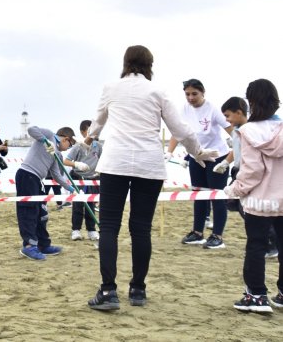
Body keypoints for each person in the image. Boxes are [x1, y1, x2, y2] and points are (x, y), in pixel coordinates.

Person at [85, 46, 217, 310]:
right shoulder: (158, 91)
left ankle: (109, 291)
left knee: (109, 227)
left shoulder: (111, 87)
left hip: (116, 162)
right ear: (149, 65)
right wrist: (197, 152)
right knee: (141, 228)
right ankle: (138, 289)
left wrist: (90, 137)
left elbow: (98, 121)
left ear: (125, 63)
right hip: (149, 163)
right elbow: (180, 128)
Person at [223, 79, 283, 313]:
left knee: (256, 245)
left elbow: (252, 171)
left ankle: (256, 295)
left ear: (251, 102)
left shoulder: (247, 131)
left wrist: (235, 190)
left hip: (259, 200)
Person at [166, 78, 233, 249]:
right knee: (199, 195)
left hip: (217, 157)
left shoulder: (213, 109)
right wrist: (169, 152)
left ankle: (217, 236)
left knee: (217, 197)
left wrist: (231, 159)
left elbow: (233, 132)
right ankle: (197, 233)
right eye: (187, 94)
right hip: (197, 157)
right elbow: (178, 132)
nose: (190, 97)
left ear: (202, 92)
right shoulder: (184, 110)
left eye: (194, 94)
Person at [15, 126, 75, 260]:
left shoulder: (57, 154)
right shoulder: (49, 135)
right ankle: (29, 246)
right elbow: (31, 129)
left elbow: (57, 176)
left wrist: (70, 188)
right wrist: (45, 141)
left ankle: (43, 245)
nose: (68, 149)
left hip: (37, 180)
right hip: (26, 175)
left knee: (42, 213)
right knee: (29, 211)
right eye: (69, 145)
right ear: (66, 139)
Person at [64, 120, 102, 241]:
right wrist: (76, 164)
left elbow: (102, 160)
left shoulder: (98, 146)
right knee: (78, 205)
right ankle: (76, 230)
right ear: (82, 132)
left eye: (94, 131)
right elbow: (66, 161)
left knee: (91, 205)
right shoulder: (78, 146)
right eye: (89, 131)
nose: (93, 134)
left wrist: (100, 170)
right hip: (78, 178)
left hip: (93, 179)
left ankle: (91, 230)